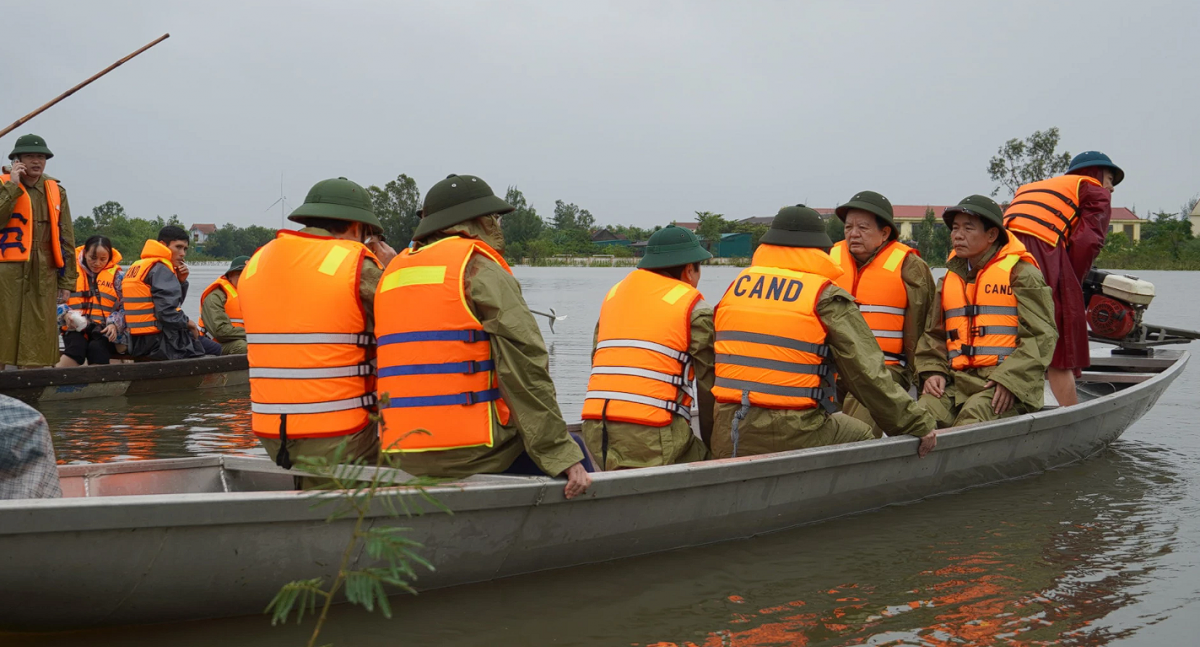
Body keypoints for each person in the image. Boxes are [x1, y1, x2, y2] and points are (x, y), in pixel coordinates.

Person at [374, 174, 591, 499]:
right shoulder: (478, 268)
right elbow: (525, 370)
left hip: (399, 453)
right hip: (473, 452)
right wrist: (562, 456)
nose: (498, 225)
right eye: (494, 217)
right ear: (474, 221)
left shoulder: (389, 275)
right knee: (576, 452)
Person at [710, 205, 937, 459]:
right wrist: (917, 424)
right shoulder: (824, 296)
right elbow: (868, 376)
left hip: (728, 431)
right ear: (820, 248)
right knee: (862, 435)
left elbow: (708, 372)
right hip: (793, 433)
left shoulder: (736, 288)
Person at [239, 177, 397, 473]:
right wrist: (393, 267)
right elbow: (408, 324)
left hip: (271, 435)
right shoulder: (357, 264)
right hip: (342, 433)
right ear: (354, 226)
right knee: (420, 442)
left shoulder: (257, 261)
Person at [580, 225, 715, 469]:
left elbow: (597, 362)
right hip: (652, 435)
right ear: (689, 270)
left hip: (595, 430)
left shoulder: (614, 297)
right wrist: (717, 446)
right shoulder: (693, 308)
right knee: (709, 462)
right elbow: (709, 388)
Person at [917, 196, 1058, 426]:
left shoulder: (1022, 274)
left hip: (1005, 384)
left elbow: (1042, 336)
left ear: (992, 235)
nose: (957, 235)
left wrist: (1009, 380)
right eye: (954, 228)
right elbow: (934, 335)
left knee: (973, 418)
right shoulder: (948, 280)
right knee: (919, 416)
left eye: (968, 228)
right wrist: (933, 371)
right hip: (957, 383)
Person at [1003, 151, 1121, 406]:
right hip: (1042, 252)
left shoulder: (1032, 187)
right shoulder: (1094, 189)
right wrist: (1072, 284)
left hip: (1003, 254)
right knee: (1061, 335)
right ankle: (1070, 412)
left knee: (1011, 329)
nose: (1111, 188)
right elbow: (1089, 241)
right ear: (1095, 173)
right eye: (1111, 178)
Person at [829, 191, 937, 435]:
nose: (853, 234)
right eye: (848, 227)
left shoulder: (911, 267)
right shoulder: (828, 260)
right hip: (832, 368)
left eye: (863, 228)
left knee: (857, 426)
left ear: (885, 232)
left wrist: (925, 373)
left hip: (884, 369)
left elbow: (929, 327)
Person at [0, 134, 77, 369]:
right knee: (4, 325)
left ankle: (31, 385)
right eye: (31, 156)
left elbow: (66, 239)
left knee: (39, 332)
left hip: (44, 269)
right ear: (17, 160)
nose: (37, 161)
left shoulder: (56, 191)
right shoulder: (4, 185)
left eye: (41, 157)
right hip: (7, 271)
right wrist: (13, 186)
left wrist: (67, 281)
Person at [121, 225, 220, 360]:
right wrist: (189, 323)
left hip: (139, 342)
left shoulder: (139, 266)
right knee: (218, 350)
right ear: (162, 245)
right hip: (161, 342)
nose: (182, 253)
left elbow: (168, 304)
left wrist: (180, 282)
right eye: (178, 247)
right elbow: (166, 312)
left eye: (185, 249)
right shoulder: (161, 269)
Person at [57, 235, 124, 367]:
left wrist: (114, 324)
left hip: (103, 329)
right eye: (93, 258)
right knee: (76, 347)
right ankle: (53, 382)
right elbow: (53, 301)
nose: (97, 263)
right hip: (74, 327)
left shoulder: (117, 276)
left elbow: (124, 307)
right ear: (85, 253)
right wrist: (65, 314)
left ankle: (98, 386)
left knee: (98, 349)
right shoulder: (68, 273)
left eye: (103, 259)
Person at [199, 255, 249, 355]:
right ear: (230, 276)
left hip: (246, 338)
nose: (244, 278)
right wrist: (254, 335)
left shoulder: (257, 296)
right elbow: (220, 332)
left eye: (248, 274)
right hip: (214, 344)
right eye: (240, 274)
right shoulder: (215, 297)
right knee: (243, 347)